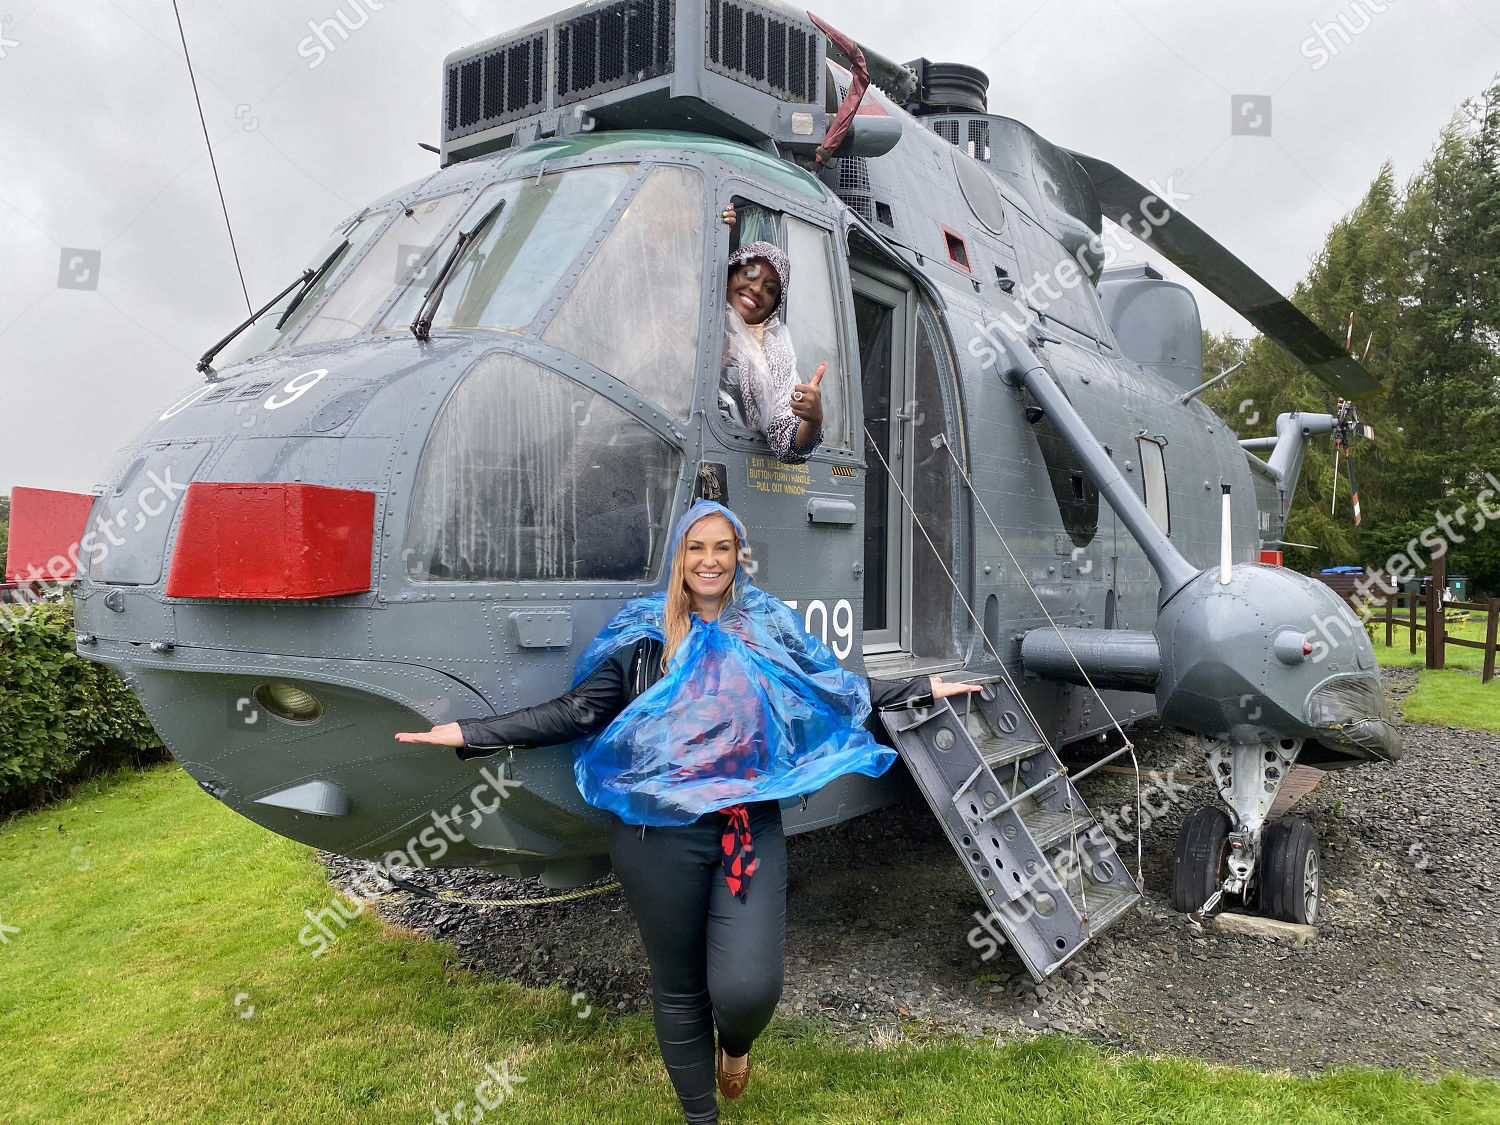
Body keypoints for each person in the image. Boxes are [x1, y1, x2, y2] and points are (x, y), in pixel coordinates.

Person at [397, 500, 976, 1124]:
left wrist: (923, 688)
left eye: (722, 547)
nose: (709, 560)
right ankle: (702, 1118)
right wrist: (469, 732)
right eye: (696, 548)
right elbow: (575, 713)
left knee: (747, 988)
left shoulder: (765, 628)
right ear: (679, 557)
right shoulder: (641, 637)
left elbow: (833, 688)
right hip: (654, 836)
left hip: (747, 827)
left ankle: (736, 1044)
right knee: (679, 988)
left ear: (737, 556)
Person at [718, 209, 826, 463]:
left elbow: (784, 440)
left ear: (774, 305)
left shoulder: (774, 354)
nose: (756, 289)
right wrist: (711, 224)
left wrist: (812, 420)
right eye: (750, 274)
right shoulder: (690, 309)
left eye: (770, 288)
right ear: (731, 273)